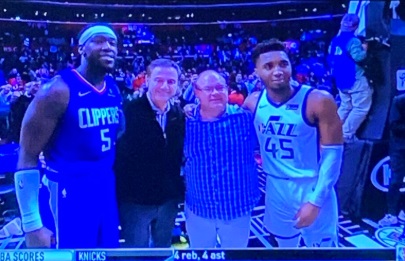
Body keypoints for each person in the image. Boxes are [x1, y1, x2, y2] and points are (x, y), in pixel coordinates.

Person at [14, 24, 124, 248]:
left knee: (107, 254)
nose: (108, 47)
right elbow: (27, 155)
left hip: (104, 187)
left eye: (113, 43)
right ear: (81, 49)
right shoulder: (57, 90)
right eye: (99, 41)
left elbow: (116, 132)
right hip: (67, 192)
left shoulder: (112, 88)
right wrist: (32, 223)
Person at [244, 39, 343, 247]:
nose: (278, 70)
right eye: (268, 66)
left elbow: (332, 157)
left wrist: (315, 201)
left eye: (283, 63)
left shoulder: (318, 100)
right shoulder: (253, 102)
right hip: (275, 186)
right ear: (257, 71)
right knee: (284, 249)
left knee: (322, 252)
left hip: (312, 184)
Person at [183, 70, 259, 248]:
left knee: (235, 257)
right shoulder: (184, 122)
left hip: (237, 208)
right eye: (208, 89)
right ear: (196, 92)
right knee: (201, 256)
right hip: (199, 207)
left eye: (220, 88)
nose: (215, 93)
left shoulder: (246, 118)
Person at [115, 59, 185, 248]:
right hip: (135, 201)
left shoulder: (178, 115)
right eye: (159, 80)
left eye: (171, 82)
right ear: (147, 80)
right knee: (136, 251)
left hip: (168, 200)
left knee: (162, 249)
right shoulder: (127, 111)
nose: (165, 86)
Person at [328, 14, 372, 143]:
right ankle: (346, 134)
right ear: (356, 27)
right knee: (360, 107)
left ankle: (333, 131)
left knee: (345, 106)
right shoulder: (354, 41)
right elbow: (359, 57)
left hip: (340, 79)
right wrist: (365, 49)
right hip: (354, 78)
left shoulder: (335, 40)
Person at [378, 93, 405, 226]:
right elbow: (394, 125)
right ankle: (391, 214)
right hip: (399, 148)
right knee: (395, 181)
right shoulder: (399, 101)